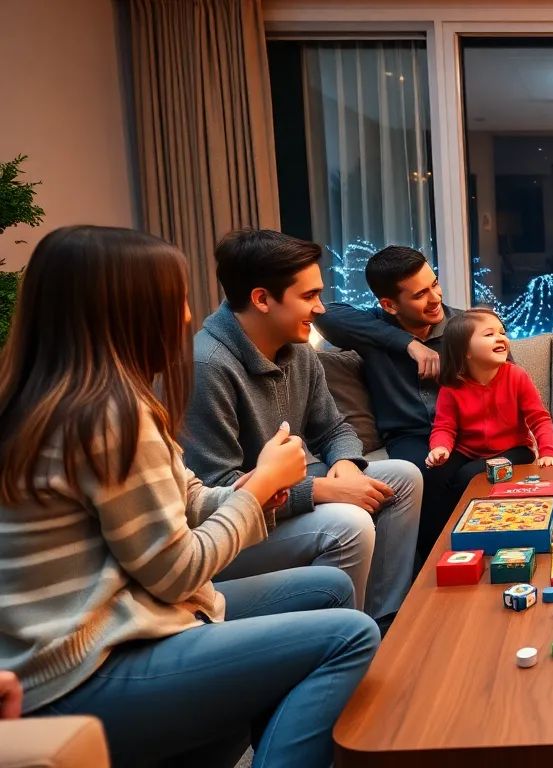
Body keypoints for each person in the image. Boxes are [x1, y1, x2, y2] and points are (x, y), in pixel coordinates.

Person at [0, 226, 379, 766]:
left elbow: (187, 498)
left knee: (330, 589)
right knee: (350, 637)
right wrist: (266, 484)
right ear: (128, 310)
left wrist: (256, 490)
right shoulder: (107, 417)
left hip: (112, 629)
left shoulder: (67, 399)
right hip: (89, 665)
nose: (185, 317)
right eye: (174, 299)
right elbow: (179, 571)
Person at [183, 229, 422, 625]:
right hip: (234, 530)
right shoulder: (206, 367)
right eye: (309, 297)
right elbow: (217, 488)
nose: (321, 309)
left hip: (286, 496)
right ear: (261, 299)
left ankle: (383, 621)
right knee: (350, 524)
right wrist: (325, 489)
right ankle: (336, 639)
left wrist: (346, 464)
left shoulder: (298, 351)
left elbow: (334, 429)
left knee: (403, 476)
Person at [313, 246, 484, 564]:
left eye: (434, 284)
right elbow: (325, 313)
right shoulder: (372, 330)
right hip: (412, 436)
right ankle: (436, 567)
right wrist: (407, 343)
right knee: (423, 474)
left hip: (469, 431)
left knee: (474, 472)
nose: (435, 298)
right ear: (389, 305)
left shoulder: (465, 327)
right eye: (420, 294)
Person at [425, 309, 553, 531]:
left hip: (515, 450)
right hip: (468, 451)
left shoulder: (517, 376)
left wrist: (548, 453)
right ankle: (438, 539)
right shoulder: (452, 386)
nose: (501, 338)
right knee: (434, 475)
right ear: (465, 351)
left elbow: (539, 418)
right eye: (489, 334)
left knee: (468, 475)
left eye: (502, 332)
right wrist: (440, 448)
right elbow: (444, 426)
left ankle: (470, 526)